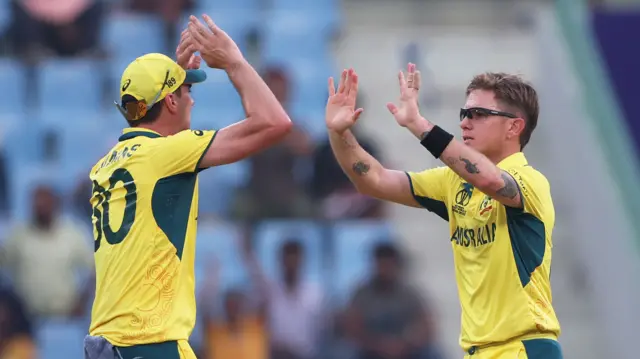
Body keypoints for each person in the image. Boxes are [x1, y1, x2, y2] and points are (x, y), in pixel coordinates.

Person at [83, 14, 291, 359]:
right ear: (170, 102)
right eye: (187, 90)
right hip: (153, 344)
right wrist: (234, 62)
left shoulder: (104, 166)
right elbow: (274, 122)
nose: (192, 99)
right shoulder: (166, 154)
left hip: (107, 344)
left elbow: (155, 132)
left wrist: (172, 75)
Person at [324, 66, 563, 359]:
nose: (465, 123)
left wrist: (418, 124)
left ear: (514, 127)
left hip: (523, 347)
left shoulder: (530, 181)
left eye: (478, 115)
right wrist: (339, 132)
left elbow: (489, 180)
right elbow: (372, 180)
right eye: (464, 114)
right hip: (478, 351)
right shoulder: (453, 182)